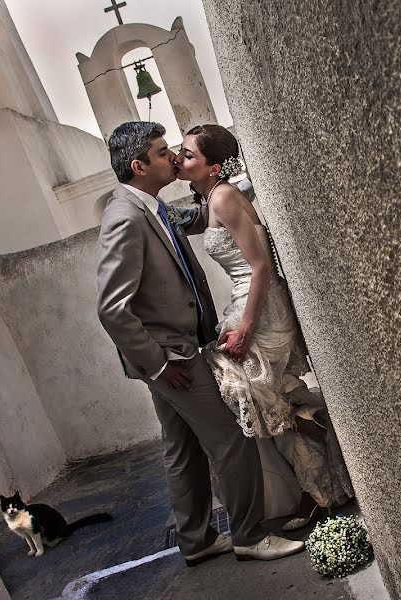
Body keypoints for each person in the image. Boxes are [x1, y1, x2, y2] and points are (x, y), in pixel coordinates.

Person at [96, 121, 304, 564]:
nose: (172, 156)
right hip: (172, 358)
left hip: (176, 352)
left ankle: (196, 541)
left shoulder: (151, 206)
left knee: (182, 449)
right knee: (232, 439)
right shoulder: (124, 218)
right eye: (160, 152)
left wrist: (230, 183)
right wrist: (158, 365)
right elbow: (113, 308)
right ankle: (248, 535)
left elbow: (207, 212)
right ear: (138, 166)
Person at [173, 124, 353, 531]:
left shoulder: (222, 196)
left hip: (262, 308)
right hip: (246, 304)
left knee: (249, 393)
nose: (178, 158)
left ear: (214, 166)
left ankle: (317, 443)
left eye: (187, 154)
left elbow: (260, 268)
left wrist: (245, 329)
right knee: (267, 398)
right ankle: (316, 477)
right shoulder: (210, 198)